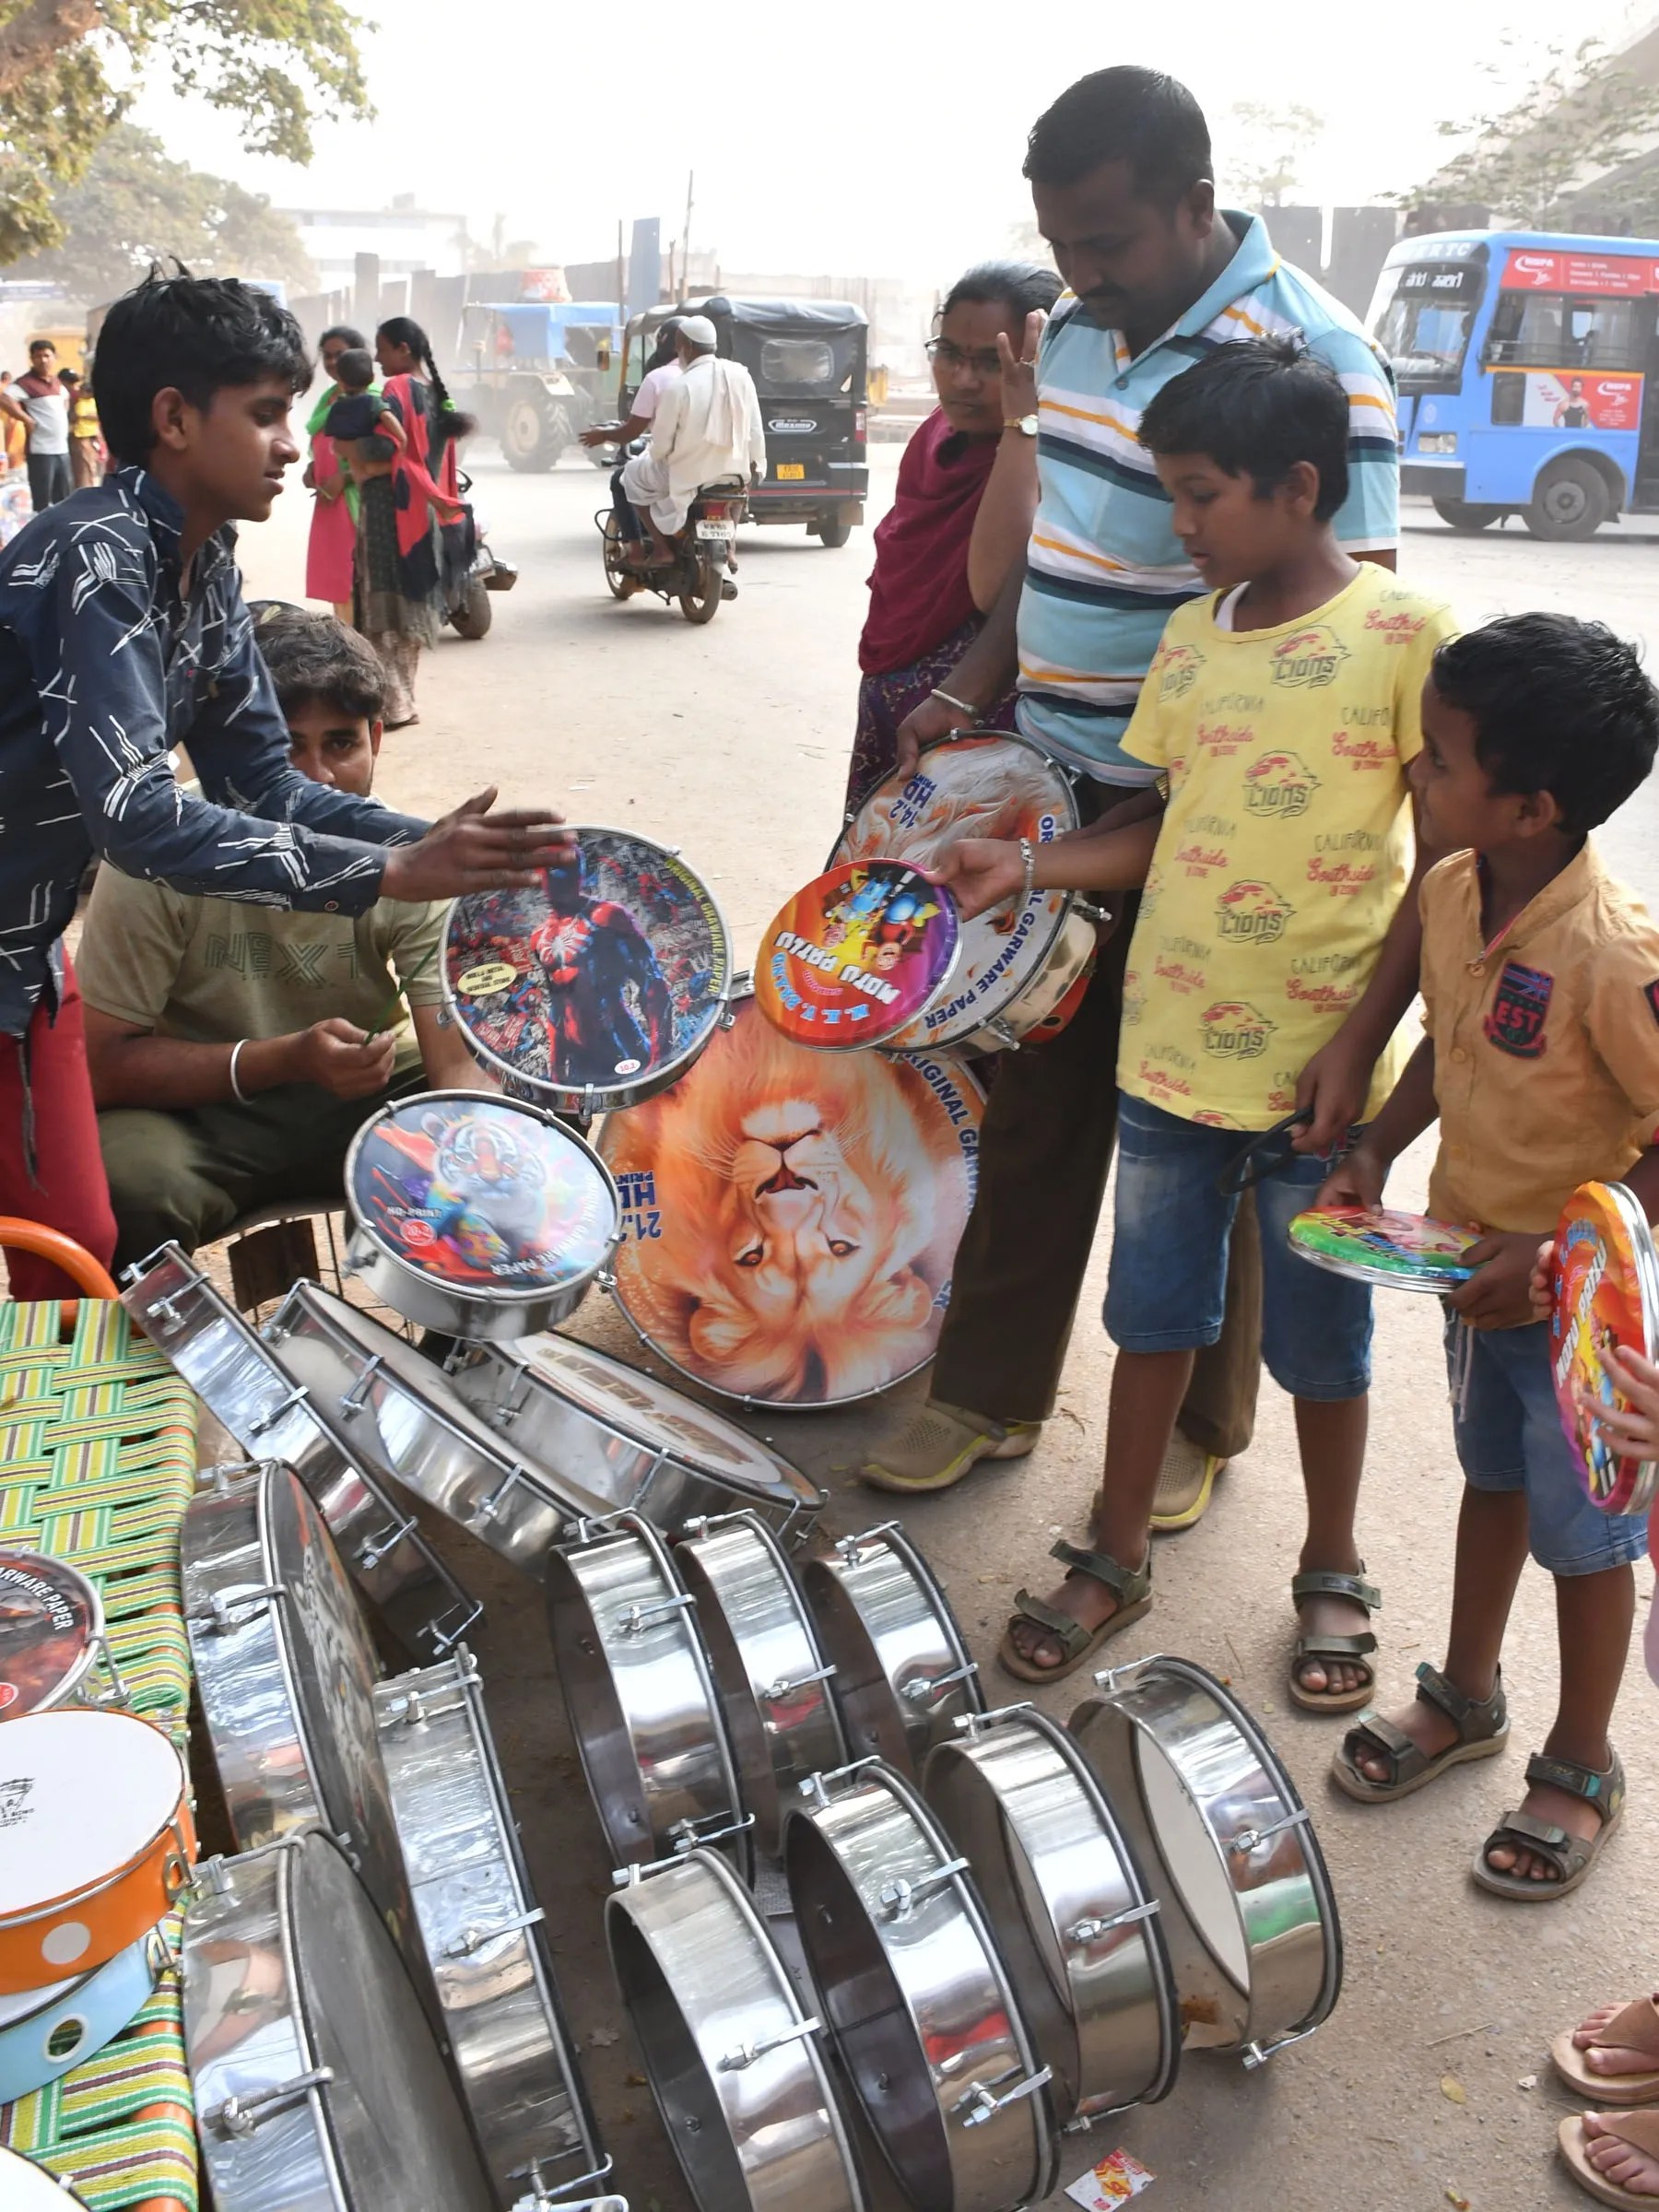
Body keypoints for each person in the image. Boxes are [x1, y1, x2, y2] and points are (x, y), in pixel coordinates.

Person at [855, 66, 1401, 1535]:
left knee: (1211, 1118)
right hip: (1054, 767)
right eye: (1061, 242)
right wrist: (969, 693)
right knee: (1032, 1084)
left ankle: (1200, 1427)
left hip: (1229, 809)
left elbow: (1358, 629)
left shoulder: (1323, 355)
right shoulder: (1079, 334)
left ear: (1194, 204)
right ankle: (989, 1388)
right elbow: (1054, 560)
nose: (1080, 277)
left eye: (1106, 243)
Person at [927, 338, 1453, 1689]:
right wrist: (1026, 864)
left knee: (1324, 1341)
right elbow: (1161, 824)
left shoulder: (1405, 639)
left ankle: (1333, 1568)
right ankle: (1114, 1553)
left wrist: (1360, 1053)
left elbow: (1442, 875)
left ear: (1299, 485)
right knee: (1149, 1313)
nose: (1181, 525)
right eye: (1171, 492)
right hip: (1167, 1055)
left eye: (1204, 496)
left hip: (1317, 1080)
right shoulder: (1188, 641)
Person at [0, 272, 571, 1302]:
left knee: (70, 1243)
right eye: (265, 414)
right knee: (68, 1246)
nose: (290, 442)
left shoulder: (203, 563)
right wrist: (388, 870)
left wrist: (437, 851)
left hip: (22, 961)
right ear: (173, 419)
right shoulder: (93, 555)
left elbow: (263, 780)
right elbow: (138, 817)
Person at [1323, 614, 1659, 1911]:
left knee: (1589, 1540)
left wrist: (1558, 1251)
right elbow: (1436, 1038)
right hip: (1469, 1275)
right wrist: (1374, 1145)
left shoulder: (1615, 955)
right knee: (1490, 1483)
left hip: (1582, 1319)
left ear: (1531, 806)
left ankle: (1580, 1761)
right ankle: (1465, 1694)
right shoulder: (1455, 886)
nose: (1417, 774)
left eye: (1443, 760)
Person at [79, 611, 486, 1267]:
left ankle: (446, 1354)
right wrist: (284, 1058)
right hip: (190, 1117)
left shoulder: (407, 857)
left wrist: (487, 1147)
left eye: (340, 744)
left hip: (352, 1103)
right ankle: (159, 1363)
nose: (318, 778)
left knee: (520, 1116)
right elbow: (100, 1066)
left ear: (377, 738)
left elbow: (456, 1066)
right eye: (289, 747)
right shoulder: (159, 847)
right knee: (120, 1185)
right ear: (236, 747)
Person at [846, 261, 1062, 808]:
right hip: (894, 699)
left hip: (974, 710)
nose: (963, 379)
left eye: (992, 362)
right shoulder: (935, 438)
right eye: (950, 354)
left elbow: (991, 590)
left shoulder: (1059, 450)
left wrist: (1023, 421)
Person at [358, 315, 470, 728]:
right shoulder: (436, 393)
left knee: (383, 604)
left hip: (392, 509)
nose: (376, 357)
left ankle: (394, 705)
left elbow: (384, 446)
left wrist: (351, 453)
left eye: (382, 348)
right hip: (425, 512)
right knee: (411, 604)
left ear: (403, 349)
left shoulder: (397, 388)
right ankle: (405, 698)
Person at [619, 316, 765, 571]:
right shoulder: (741, 375)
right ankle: (729, 546)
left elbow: (662, 445)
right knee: (737, 492)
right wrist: (757, 464)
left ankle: (662, 548)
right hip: (734, 476)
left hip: (689, 477)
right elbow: (754, 429)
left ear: (687, 347)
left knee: (629, 475)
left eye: (678, 346)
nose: (677, 351)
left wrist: (653, 455)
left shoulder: (680, 386)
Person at [305, 323, 369, 624]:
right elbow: (319, 444)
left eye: (339, 354)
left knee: (359, 579)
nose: (332, 362)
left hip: (361, 501)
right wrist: (313, 469)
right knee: (340, 585)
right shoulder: (328, 399)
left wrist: (343, 478)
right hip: (330, 504)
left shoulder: (373, 400)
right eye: (327, 356)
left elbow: (390, 453)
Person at [0, 339, 73, 512]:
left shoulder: (57, 383)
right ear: (32, 359)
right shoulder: (26, 383)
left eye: (47, 355)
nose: (43, 360)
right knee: (42, 502)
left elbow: (66, 400)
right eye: (38, 356)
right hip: (41, 451)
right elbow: (4, 398)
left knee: (64, 499)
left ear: (54, 358)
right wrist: (27, 419)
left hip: (62, 450)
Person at [59, 370, 105, 488]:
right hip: (81, 437)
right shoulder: (76, 399)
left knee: (86, 467)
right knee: (84, 468)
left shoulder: (78, 399)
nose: (75, 388)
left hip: (86, 437)